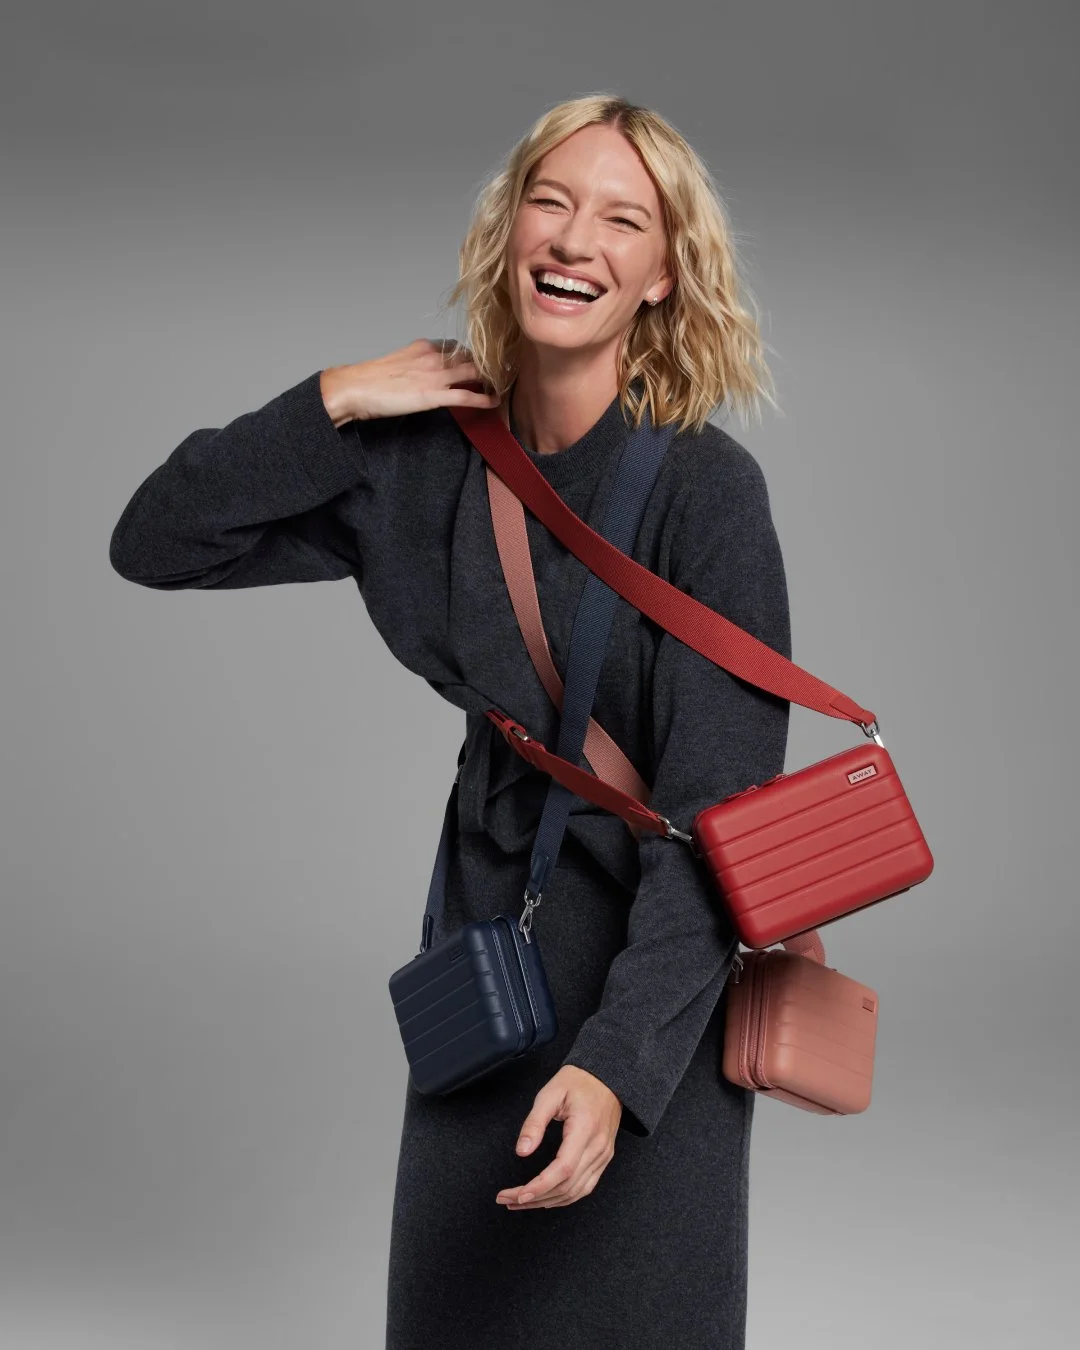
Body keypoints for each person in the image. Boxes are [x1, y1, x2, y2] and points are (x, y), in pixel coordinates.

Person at [109, 93, 792, 1349]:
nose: (575, 238)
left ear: (662, 275)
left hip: (655, 999)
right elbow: (155, 541)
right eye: (551, 200)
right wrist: (331, 399)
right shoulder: (418, 460)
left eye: (622, 220)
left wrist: (619, 1067)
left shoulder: (706, 493)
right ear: (508, 226)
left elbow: (725, 821)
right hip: (488, 982)